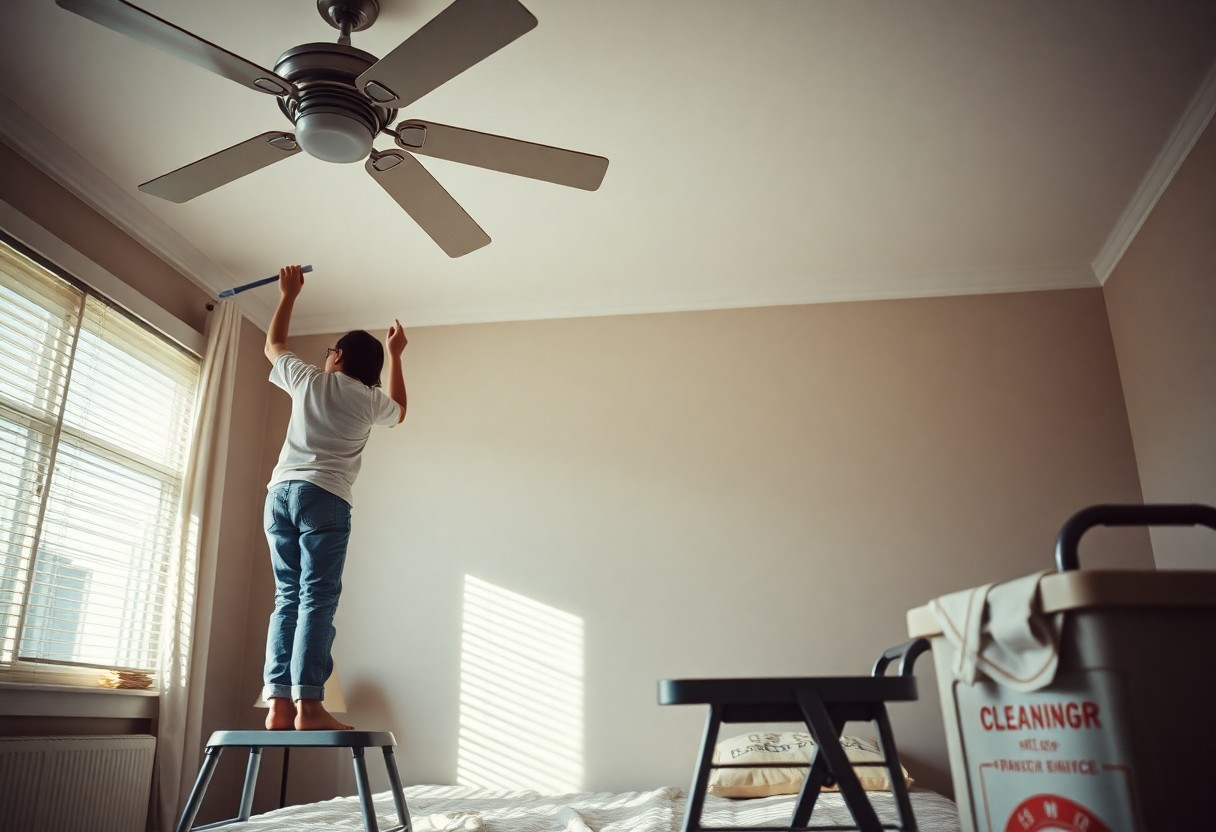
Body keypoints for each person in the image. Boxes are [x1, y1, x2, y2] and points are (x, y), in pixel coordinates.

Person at [260, 264, 407, 730]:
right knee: (316, 599)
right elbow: (401, 411)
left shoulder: (307, 380)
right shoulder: (368, 399)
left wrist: (289, 295)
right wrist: (397, 354)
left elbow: (273, 346)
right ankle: (310, 707)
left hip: (280, 493)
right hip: (325, 499)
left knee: (287, 597)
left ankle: (278, 707)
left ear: (337, 356)